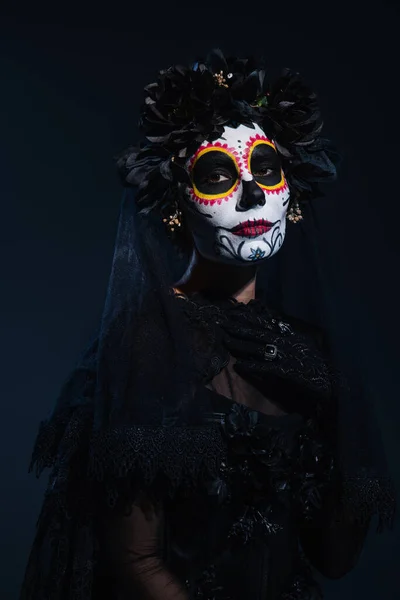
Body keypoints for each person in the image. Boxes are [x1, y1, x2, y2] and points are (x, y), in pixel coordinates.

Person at [20, 49, 396, 600]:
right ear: (177, 204)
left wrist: (338, 418)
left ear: (292, 192)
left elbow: (334, 558)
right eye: (217, 175)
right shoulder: (149, 339)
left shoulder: (307, 348)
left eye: (266, 168)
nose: (252, 193)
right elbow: (136, 562)